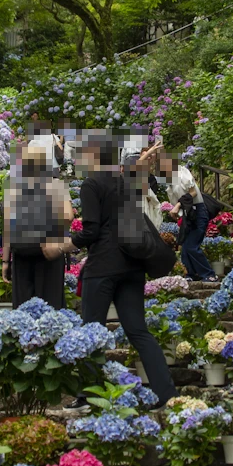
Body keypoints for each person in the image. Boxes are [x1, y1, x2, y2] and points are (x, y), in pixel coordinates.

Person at [69, 132, 176, 406]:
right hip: (132, 264)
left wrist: (68, 243)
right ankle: (165, 394)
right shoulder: (125, 181)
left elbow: (91, 230)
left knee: (91, 330)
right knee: (138, 330)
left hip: (103, 265)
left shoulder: (91, 184)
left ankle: (88, 396)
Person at [2, 142, 72, 308]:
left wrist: (5, 261)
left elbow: (7, 226)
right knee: (51, 304)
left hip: (22, 250)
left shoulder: (13, 188)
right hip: (50, 251)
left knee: (23, 304)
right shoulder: (56, 185)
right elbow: (69, 217)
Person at [166, 166, 216, 281]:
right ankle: (190, 274)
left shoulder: (182, 172)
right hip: (188, 215)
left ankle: (209, 274)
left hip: (198, 212)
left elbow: (192, 192)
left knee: (191, 246)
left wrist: (178, 205)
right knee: (185, 246)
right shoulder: (170, 184)